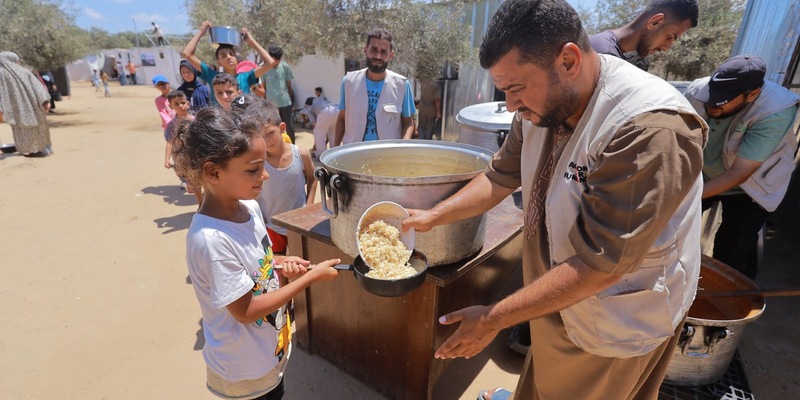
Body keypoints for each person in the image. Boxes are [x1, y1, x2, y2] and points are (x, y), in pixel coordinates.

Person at [401, 1, 708, 398]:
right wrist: (432, 216)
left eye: (516, 89)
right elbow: (499, 176)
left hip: (613, 321)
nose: (511, 104)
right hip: (557, 302)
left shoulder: (648, 128)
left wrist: (494, 317)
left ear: (568, 60)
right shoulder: (541, 106)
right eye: (504, 90)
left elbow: (602, 265)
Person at [172, 106, 341, 400]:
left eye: (263, 165)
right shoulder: (211, 241)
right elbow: (246, 311)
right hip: (242, 371)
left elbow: (256, 259)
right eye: (252, 169)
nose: (264, 176)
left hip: (267, 353)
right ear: (213, 172)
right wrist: (310, 279)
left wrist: (279, 262)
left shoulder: (248, 207)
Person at [684, 55, 800, 279]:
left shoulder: (775, 110)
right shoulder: (698, 91)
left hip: (751, 186)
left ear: (753, 94)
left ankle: (726, 297)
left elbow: (740, 172)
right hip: (704, 175)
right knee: (673, 229)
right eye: (711, 96)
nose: (711, 105)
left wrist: (684, 195)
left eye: (723, 101)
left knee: (731, 253)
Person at [234, 95, 316, 254]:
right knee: (276, 266)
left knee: (300, 262)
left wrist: (309, 208)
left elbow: (313, 179)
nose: (266, 141)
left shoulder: (301, 154)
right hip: (270, 226)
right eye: (260, 136)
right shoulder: (256, 163)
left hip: (298, 225)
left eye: (270, 133)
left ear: (282, 128)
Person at [334, 28, 416, 146]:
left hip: (387, 156)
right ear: (365, 50)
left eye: (383, 52)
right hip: (354, 155)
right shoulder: (349, 82)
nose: (378, 56)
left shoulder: (402, 85)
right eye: (373, 50)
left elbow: (408, 123)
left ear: (391, 55)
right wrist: (333, 152)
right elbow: (341, 119)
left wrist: (401, 148)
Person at [181, 21, 276, 106]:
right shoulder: (213, 76)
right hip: (222, 123)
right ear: (219, 63)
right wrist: (200, 33)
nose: (229, 57)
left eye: (231, 54)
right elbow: (187, 54)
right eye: (223, 56)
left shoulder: (246, 77)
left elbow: (270, 62)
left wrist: (251, 41)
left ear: (236, 58)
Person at [590, 0, 698, 71]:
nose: (666, 48)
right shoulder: (606, 57)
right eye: (669, 37)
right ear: (655, 22)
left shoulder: (607, 47)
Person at [0, 51, 52, 157]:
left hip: (16, 109)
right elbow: (37, 87)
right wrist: (45, 101)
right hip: (34, 106)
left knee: (22, 129)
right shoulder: (24, 71)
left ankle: (32, 149)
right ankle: (43, 148)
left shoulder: (1, 73)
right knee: (39, 127)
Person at [164, 90, 203, 205]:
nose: (180, 106)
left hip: (196, 156)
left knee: (202, 179)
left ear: (188, 103)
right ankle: (201, 203)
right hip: (182, 159)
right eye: (176, 104)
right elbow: (169, 142)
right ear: (170, 106)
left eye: (182, 102)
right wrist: (167, 159)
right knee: (193, 182)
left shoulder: (196, 121)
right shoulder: (171, 125)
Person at [263, 46, 296, 143]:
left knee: (289, 127)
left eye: (278, 60)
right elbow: (263, 88)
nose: (276, 62)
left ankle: (292, 147)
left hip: (286, 103)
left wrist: (292, 102)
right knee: (274, 128)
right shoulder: (263, 68)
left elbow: (289, 85)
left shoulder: (285, 67)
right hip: (272, 105)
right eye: (273, 60)